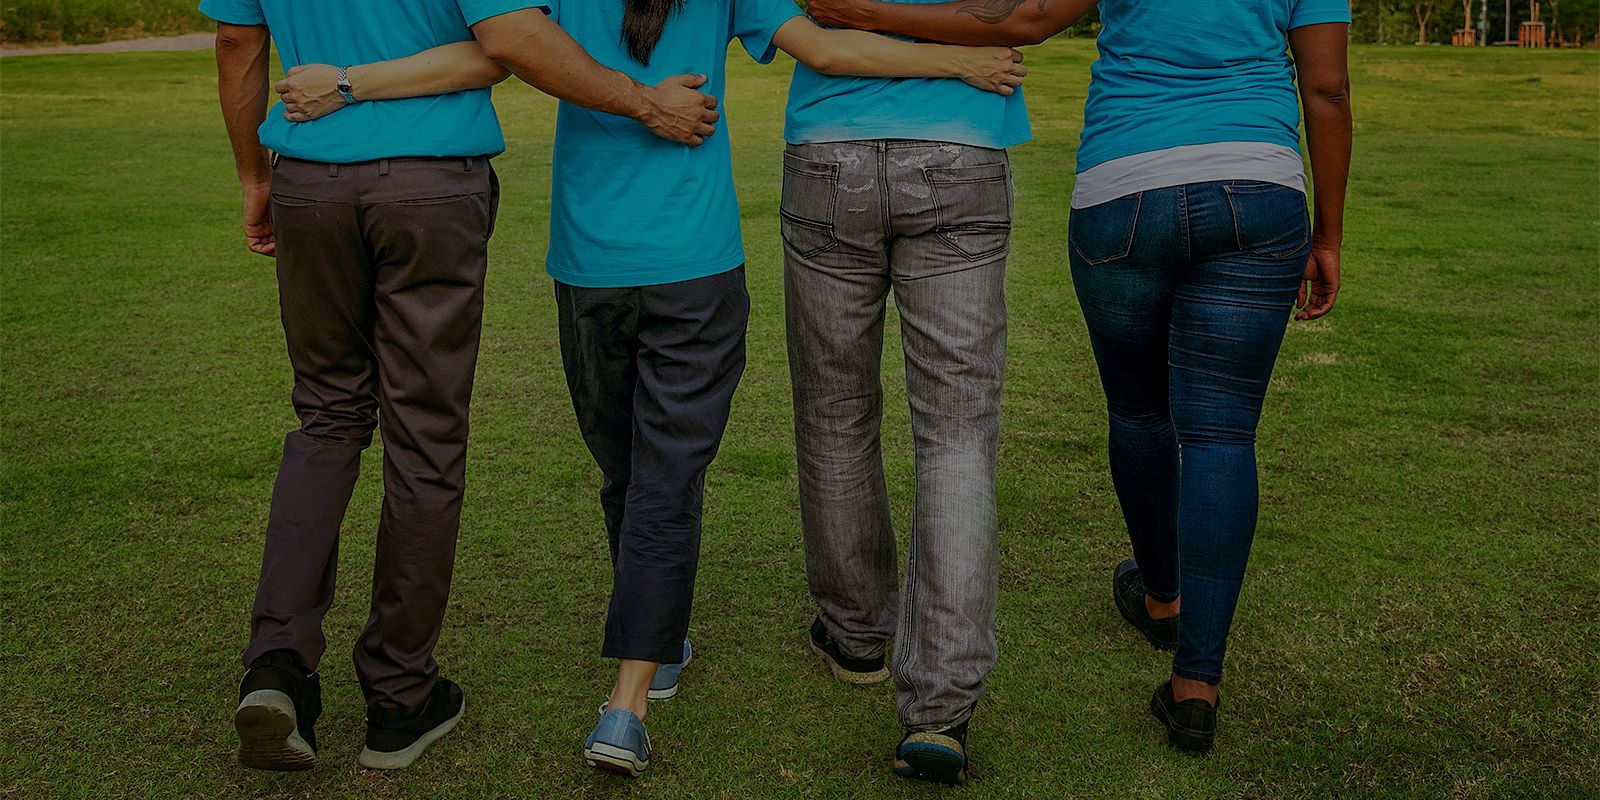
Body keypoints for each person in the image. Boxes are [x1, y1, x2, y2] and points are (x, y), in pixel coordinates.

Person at [276, 0, 1026, 777]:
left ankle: (641, 675)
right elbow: (825, 50)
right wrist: (960, 61)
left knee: (632, 473)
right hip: (694, 262)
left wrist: (349, 81)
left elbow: (503, 47)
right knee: (656, 477)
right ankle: (645, 658)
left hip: (590, 263)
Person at [807, 0, 1352, 754]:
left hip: (1125, 185)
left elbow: (1026, 18)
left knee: (1138, 410)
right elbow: (1327, 89)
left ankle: (1161, 597)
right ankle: (1196, 683)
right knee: (1222, 433)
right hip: (1259, 184)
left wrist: (865, 12)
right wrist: (1329, 234)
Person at [204, 0, 722, 773]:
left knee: (327, 420)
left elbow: (237, 42)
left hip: (309, 182)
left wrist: (254, 175)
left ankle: (276, 665)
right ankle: (399, 695)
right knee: (425, 436)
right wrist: (646, 103)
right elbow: (507, 41)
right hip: (430, 186)